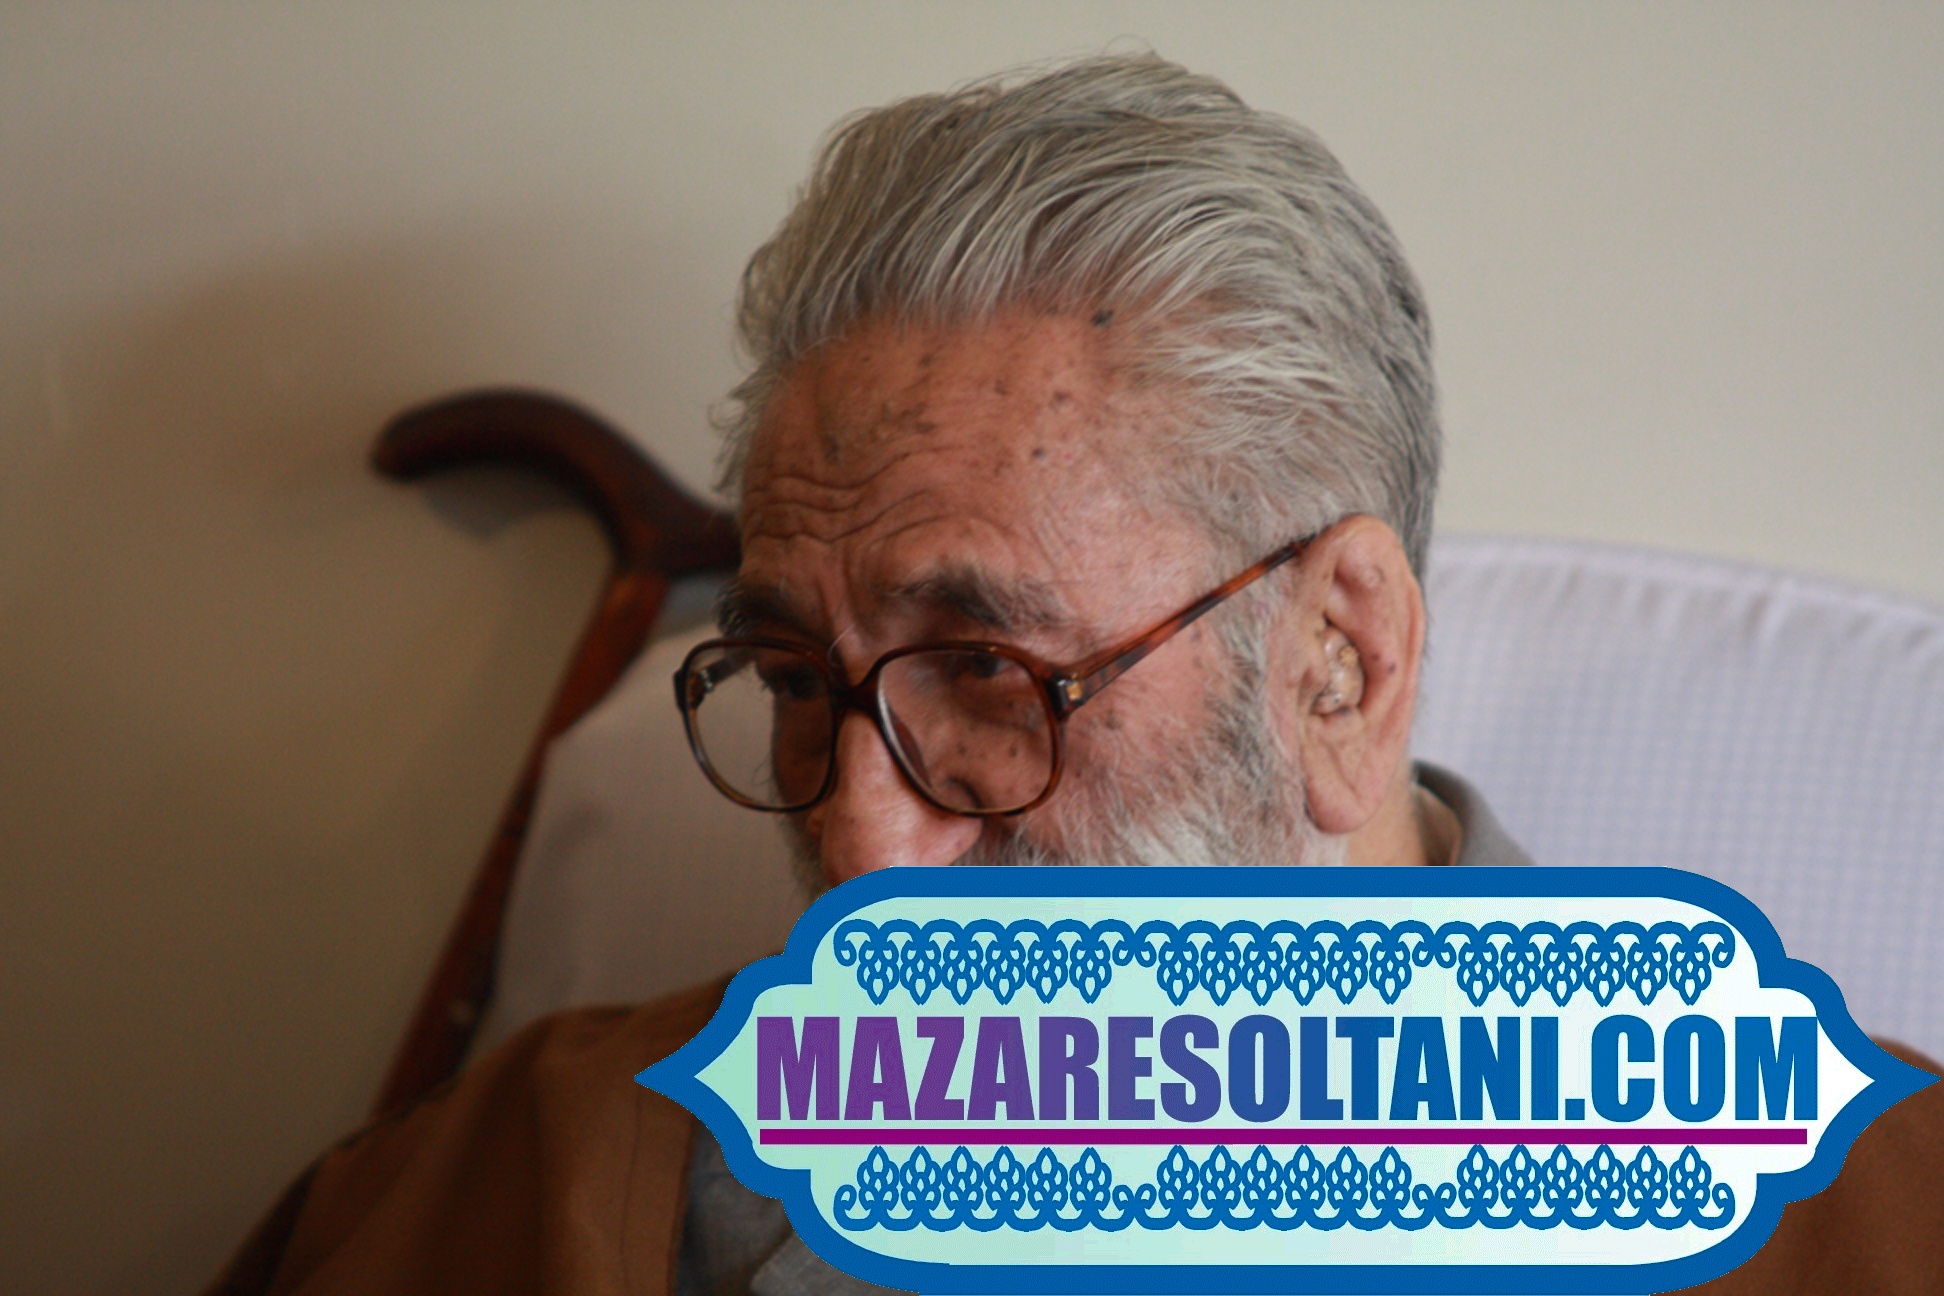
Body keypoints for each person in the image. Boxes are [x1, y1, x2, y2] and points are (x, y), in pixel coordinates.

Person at [209, 53, 1942, 1296]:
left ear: (1338, 665)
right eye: (797, 677)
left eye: (985, 668)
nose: (863, 851)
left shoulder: (1873, 1217)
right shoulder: (496, 1185)